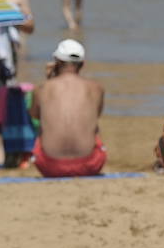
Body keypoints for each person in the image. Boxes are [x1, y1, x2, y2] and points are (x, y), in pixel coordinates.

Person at [29, 39, 107, 178]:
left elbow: (34, 116)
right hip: (89, 165)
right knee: (93, 126)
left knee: (44, 123)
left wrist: (50, 79)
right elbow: (96, 115)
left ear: (57, 62)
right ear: (82, 64)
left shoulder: (42, 88)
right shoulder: (96, 88)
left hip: (50, 167)